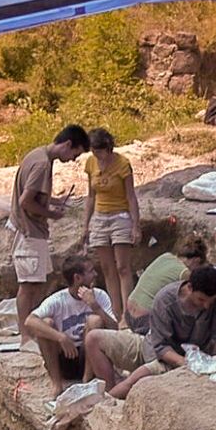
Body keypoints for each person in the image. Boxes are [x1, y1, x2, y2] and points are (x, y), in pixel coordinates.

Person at [85, 265, 216, 399]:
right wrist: (185, 364)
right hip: (164, 354)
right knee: (93, 339)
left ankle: (108, 398)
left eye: (210, 302)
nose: (206, 306)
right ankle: (106, 400)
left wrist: (211, 368)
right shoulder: (165, 300)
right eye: (201, 300)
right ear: (189, 288)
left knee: (136, 379)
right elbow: (161, 348)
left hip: (189, 360)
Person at [9, 124, 91, 347]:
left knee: (36, 284)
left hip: (31, 231)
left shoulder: (37, 155)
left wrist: (53, 201)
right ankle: (26, 335)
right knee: (28, 286)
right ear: (67, 144)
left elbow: (33, 194)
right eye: (75, 154)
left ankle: (33, 331)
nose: (72, 160)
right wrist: (51, 214)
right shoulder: (42, 164)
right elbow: (25, 201)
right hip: (29, 231)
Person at [22, 255, 116, 393]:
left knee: (95, 321)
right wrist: (61, 337)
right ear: (77, 278)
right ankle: (57, 385)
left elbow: (115, 328)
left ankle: (86, 380)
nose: (95, 274)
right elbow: (30, 321)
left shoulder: (99, 296)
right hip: (66, 355)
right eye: (91, 271)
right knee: (46, 324)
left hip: (91, 357)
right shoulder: (58, 300)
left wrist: (96, 307)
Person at [83, 128, 139, 332]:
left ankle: (127, 315)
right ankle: (115, 313)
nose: (96, 155)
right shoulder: (90, 163)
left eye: (99, 151)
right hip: (100, 216)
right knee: (107, 269)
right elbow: (90, 196)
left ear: (108, 148)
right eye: (93, 151)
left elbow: (131, 195)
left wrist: (135, 224)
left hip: (120, 216)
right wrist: (85, 225)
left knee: (123, 267)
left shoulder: (123, 164)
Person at [124, 237, 208, 329]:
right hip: (145, 319)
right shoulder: (184, 272)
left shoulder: (165, 256)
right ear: (197, 260)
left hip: (129, 312)